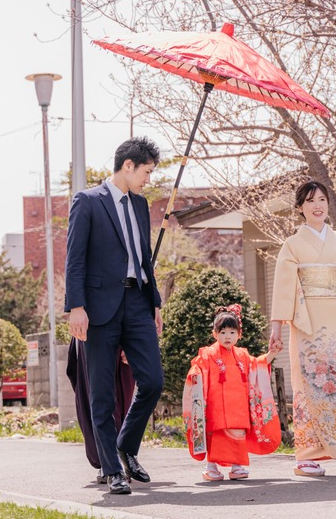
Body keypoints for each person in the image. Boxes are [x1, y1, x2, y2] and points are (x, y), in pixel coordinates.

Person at [65, 137, 164, 495]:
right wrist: (76, 307)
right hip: (98, 308)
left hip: (137, 303)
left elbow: (143, 258)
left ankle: (125, 445)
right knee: (102, 393)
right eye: (146, 172)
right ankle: (112, 469)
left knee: (152, 380)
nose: (148, 180)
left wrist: (154, 303)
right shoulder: (88, 201)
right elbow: (74, 258)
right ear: (128, 166)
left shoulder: (140, 205)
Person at [269, 180, 336, 477]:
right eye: (310, 201)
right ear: (300, 208)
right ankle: (307, 456)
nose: (318, 206)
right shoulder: (292, 245)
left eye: (322, 200)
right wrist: (276, 328)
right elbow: (284, 289)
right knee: (309, 386)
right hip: (307, 324)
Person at [182, 305, 281, 481]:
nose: (227, 336)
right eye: (223, 332)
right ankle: (211, 467)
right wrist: (195, 373)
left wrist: (272, 353)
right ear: (214, 334)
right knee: (215, 436)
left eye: (232, 332)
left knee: (237, 434)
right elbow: (197, 370)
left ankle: (237, 466)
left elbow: (258, 365)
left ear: (239, 334)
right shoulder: (207, 354)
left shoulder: (243, 355)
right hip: (215, 407)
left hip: (238, 407)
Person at [65, 340, 134, 483]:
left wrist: (131, 343)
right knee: (95, 398)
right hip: (90, 336)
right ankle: (108, 461)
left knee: (120, 399)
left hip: (122, 336)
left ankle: (117, 458)